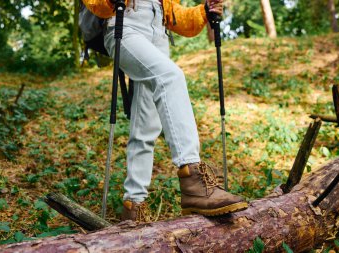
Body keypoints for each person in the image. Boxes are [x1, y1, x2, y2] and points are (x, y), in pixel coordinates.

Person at [83, 0, 248, 222]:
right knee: (170, 77)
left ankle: (133, 206)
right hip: (124, 25)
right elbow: (97, 5)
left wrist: (204, 11)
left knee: (146, 125)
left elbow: (175, 16)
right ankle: (192, 179)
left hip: (158, 33)